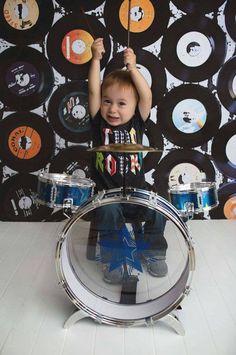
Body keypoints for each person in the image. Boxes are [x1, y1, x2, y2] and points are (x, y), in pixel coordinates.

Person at [88, 38, 168, 284]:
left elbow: (147, 95)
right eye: (107, 101)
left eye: (122, 104)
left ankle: (153, 251)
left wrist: (133, 68)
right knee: (109, 213)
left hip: (136, 192)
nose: (113, 109)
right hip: (107, 195)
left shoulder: (137, 122)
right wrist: (95, 59)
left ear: (135, 108)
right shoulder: (98, 124)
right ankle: (113, 258)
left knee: (158, 209)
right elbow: (93, 90)